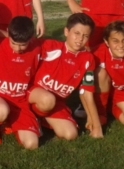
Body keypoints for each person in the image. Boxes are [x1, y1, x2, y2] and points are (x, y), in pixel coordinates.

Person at [27, 13, 102, 141]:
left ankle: (42, 119)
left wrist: (97, 126)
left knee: (70, 134)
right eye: (76, 33)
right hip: (33, 94)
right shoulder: (49, 46)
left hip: (56, 102)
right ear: (66, 32)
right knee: (47, 99)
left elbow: (87, 93)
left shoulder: (88, 59)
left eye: (85, 36)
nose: (80, 39)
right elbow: (21, 41)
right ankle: (31, 117)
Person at [0, 16, 42, 149]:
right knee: (1, 111)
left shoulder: (36, 49)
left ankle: (12, 122)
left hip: (19, 101)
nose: (18, 48)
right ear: (8, 32)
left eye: (23, 44)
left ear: (31, 38)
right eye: (14, 43)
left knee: (32, 144)